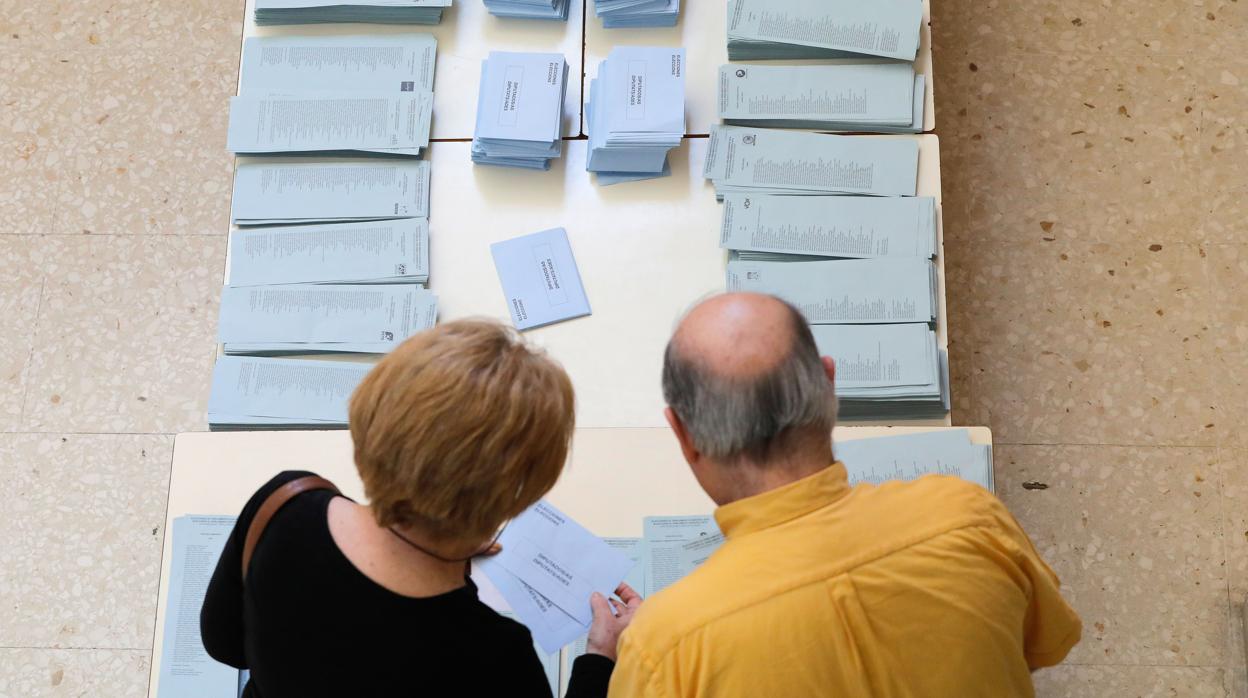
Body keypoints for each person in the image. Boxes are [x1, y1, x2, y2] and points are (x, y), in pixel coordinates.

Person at [608, 293, 1082, 698]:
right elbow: (1040, 647)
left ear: (683, 435)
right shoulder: (968, 515)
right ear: (829, 386)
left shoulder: (663, 651)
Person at [201, 319, 641, 698]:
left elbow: (223, 643)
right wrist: (599, 662)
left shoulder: (287, 504)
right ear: (509, 500)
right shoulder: (494, 656)